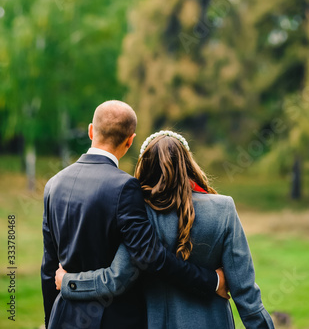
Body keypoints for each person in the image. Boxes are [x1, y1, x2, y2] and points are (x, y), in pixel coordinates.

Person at [55, 129, 275, 329]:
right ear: (188, 163)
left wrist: (69, 282)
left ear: (145, 165)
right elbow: (247, 297)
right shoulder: (223, 209)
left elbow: (115, 279)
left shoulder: (139, 214)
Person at [41, 101, 227, 329]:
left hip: (63, 315)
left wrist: (51, 317)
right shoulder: (125, 187)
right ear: (130, 140)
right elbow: (151, 257)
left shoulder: (53, 184)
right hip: (113, 319)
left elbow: (49, 266)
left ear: (91, 130)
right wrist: (211, 280)